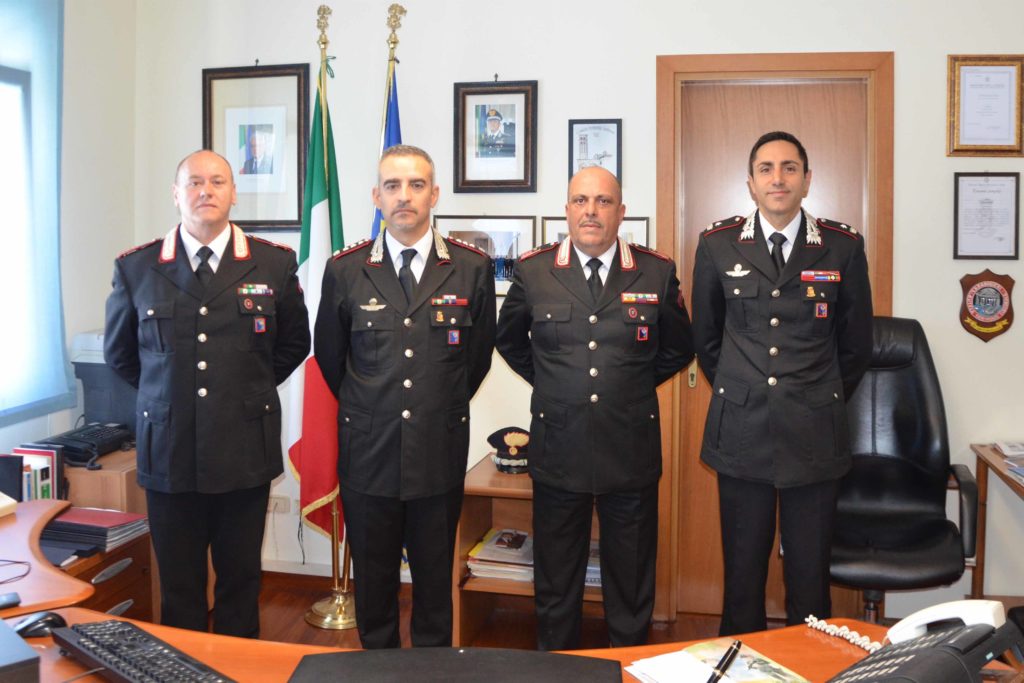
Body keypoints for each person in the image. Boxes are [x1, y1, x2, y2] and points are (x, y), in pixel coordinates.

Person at [103, 149, 310, 637]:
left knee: (241, 580)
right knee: (180, 587)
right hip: (169, 451)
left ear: (233, 193)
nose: (205, 191)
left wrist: (244, 387)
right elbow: (121, 355)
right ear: (176, 194)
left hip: (244, 448)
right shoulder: (137, 267)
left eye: (217, 181)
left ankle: (239, 665)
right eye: (194, 182)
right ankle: (186, 669)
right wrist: (168, 394)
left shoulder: (272, 263)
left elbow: (293, 344)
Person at [496, 166, 694, 650]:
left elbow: (679, 347)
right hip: (558, 447)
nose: (591, 211)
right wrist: (554, 385)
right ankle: (558, 669)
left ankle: (627, 664)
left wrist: (630, 386)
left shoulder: (655, 271)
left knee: (630, 581)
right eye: (581, 201)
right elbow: (509, 340)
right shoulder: (534, 270)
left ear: (621, 212)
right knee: (556, 579)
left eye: (603, 201)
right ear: (566, 210)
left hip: (630, 448)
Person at [690, 131, 874, 636]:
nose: (778, 178)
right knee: (742, 576)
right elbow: (706, 339)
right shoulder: (717, 244)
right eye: (766, 169)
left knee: (810, 581)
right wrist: (744, 390)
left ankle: (811, 666)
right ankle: (739, 663)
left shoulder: (841, 247)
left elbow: (856, 346)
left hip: (813, 434)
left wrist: (815, 397)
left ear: (807, 180)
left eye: (790, 168)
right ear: (751, 183)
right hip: (741, 432)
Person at [314, 144, 496, 649]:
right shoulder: (346, 269)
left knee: (435, 588)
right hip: (368, 455)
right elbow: (331, 358)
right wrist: (374, 406)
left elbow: (476, 359)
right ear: (376, 196)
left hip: (437, 453)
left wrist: (436, 405)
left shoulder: (470, 267)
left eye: (416, 185)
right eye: (392, 186)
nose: (404, 196)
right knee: (374, 590)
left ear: (434, 194)